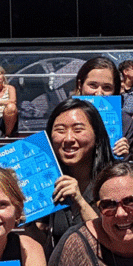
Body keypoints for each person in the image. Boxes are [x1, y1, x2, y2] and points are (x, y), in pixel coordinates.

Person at [38, 97, 111, 247]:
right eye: (60, 130)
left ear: (97, 136)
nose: (68, 138)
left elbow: (112, 241)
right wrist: (28, 224)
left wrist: (80, 201)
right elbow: (45, 246)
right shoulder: (47, 182)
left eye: (78, 129)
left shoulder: (114, 181)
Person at [73, 56, 133, 157]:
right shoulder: (63, 116)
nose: (99, 93)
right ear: (80, 85)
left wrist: (122, 157)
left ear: (115, 90)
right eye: (93, 85)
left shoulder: (125, 123)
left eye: (107, 87)